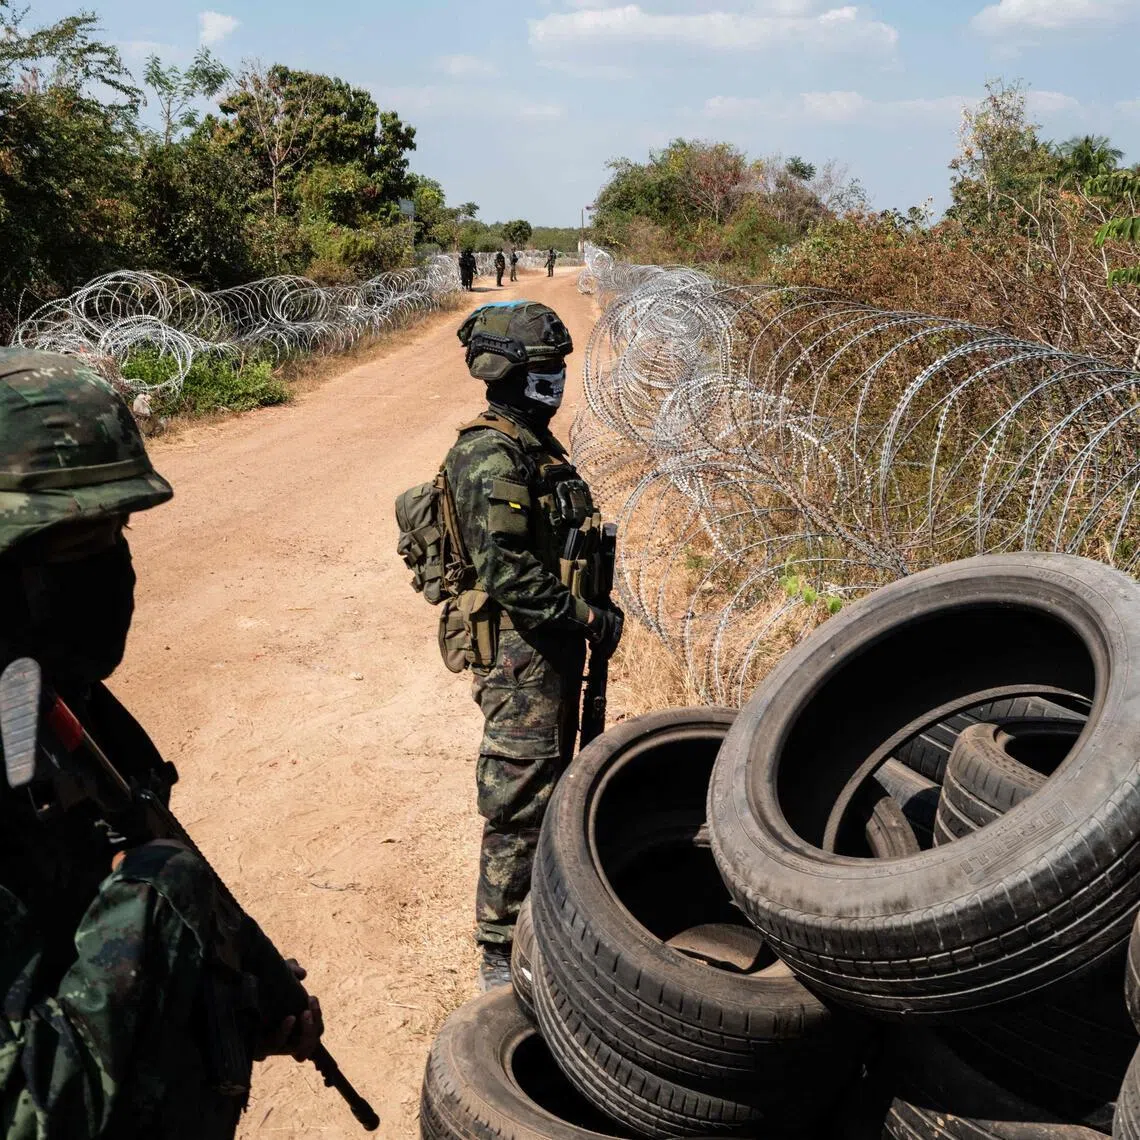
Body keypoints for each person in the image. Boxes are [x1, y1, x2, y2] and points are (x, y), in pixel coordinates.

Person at [0, 349, 323, 1139]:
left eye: (120, 529)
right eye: (78, 543)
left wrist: (233, 993)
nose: (113, 568)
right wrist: (161, 903)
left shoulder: (43, 698)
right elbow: (29, 1107)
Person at [446, 303, 623, 990]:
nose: (556, 380)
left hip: (549, 649)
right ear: (511, 372)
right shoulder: (489, 453)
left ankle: (539, 919)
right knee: (519, 795)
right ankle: (498, 951)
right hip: (522, 654)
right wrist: (586, 618)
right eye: (546, 369)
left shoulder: (532, 444)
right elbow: (506, 573)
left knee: (554, 783)